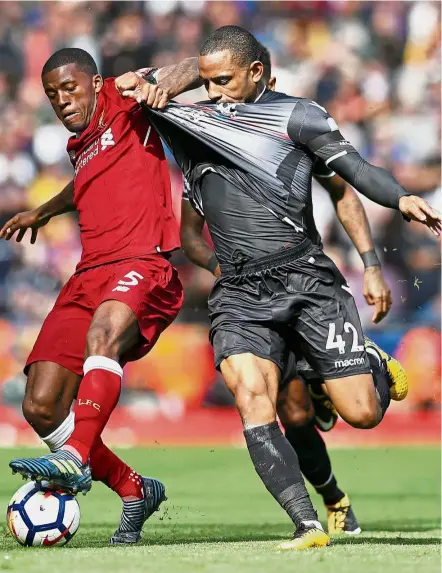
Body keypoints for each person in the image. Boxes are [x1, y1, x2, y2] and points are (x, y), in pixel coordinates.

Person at [117, 25, 441, 549]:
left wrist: (398, 201)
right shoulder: (190, 121)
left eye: (224, 80)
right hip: (242, 293)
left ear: (257, 73)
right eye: (206, 81)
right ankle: (308, 522)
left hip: (306, 280)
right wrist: (163, 84)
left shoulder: (298, 117)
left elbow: (352, 174)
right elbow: (136, 86)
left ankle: (373, 365)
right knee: (256, 399)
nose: (213, 91)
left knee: (360, 413)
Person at [1, 48, 199, 545]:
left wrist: (163, 85)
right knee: (41, 406)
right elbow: (85, 184)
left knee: (103, 334)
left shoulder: (125, 95)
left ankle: (73, 457)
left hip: (141, 262)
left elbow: (199, 65)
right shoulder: (80, 143)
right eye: (52, 94)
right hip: (89, 273)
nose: (62, 100)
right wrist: (43, 211)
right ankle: (135, 489)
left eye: (70, 87)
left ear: (94, 81)